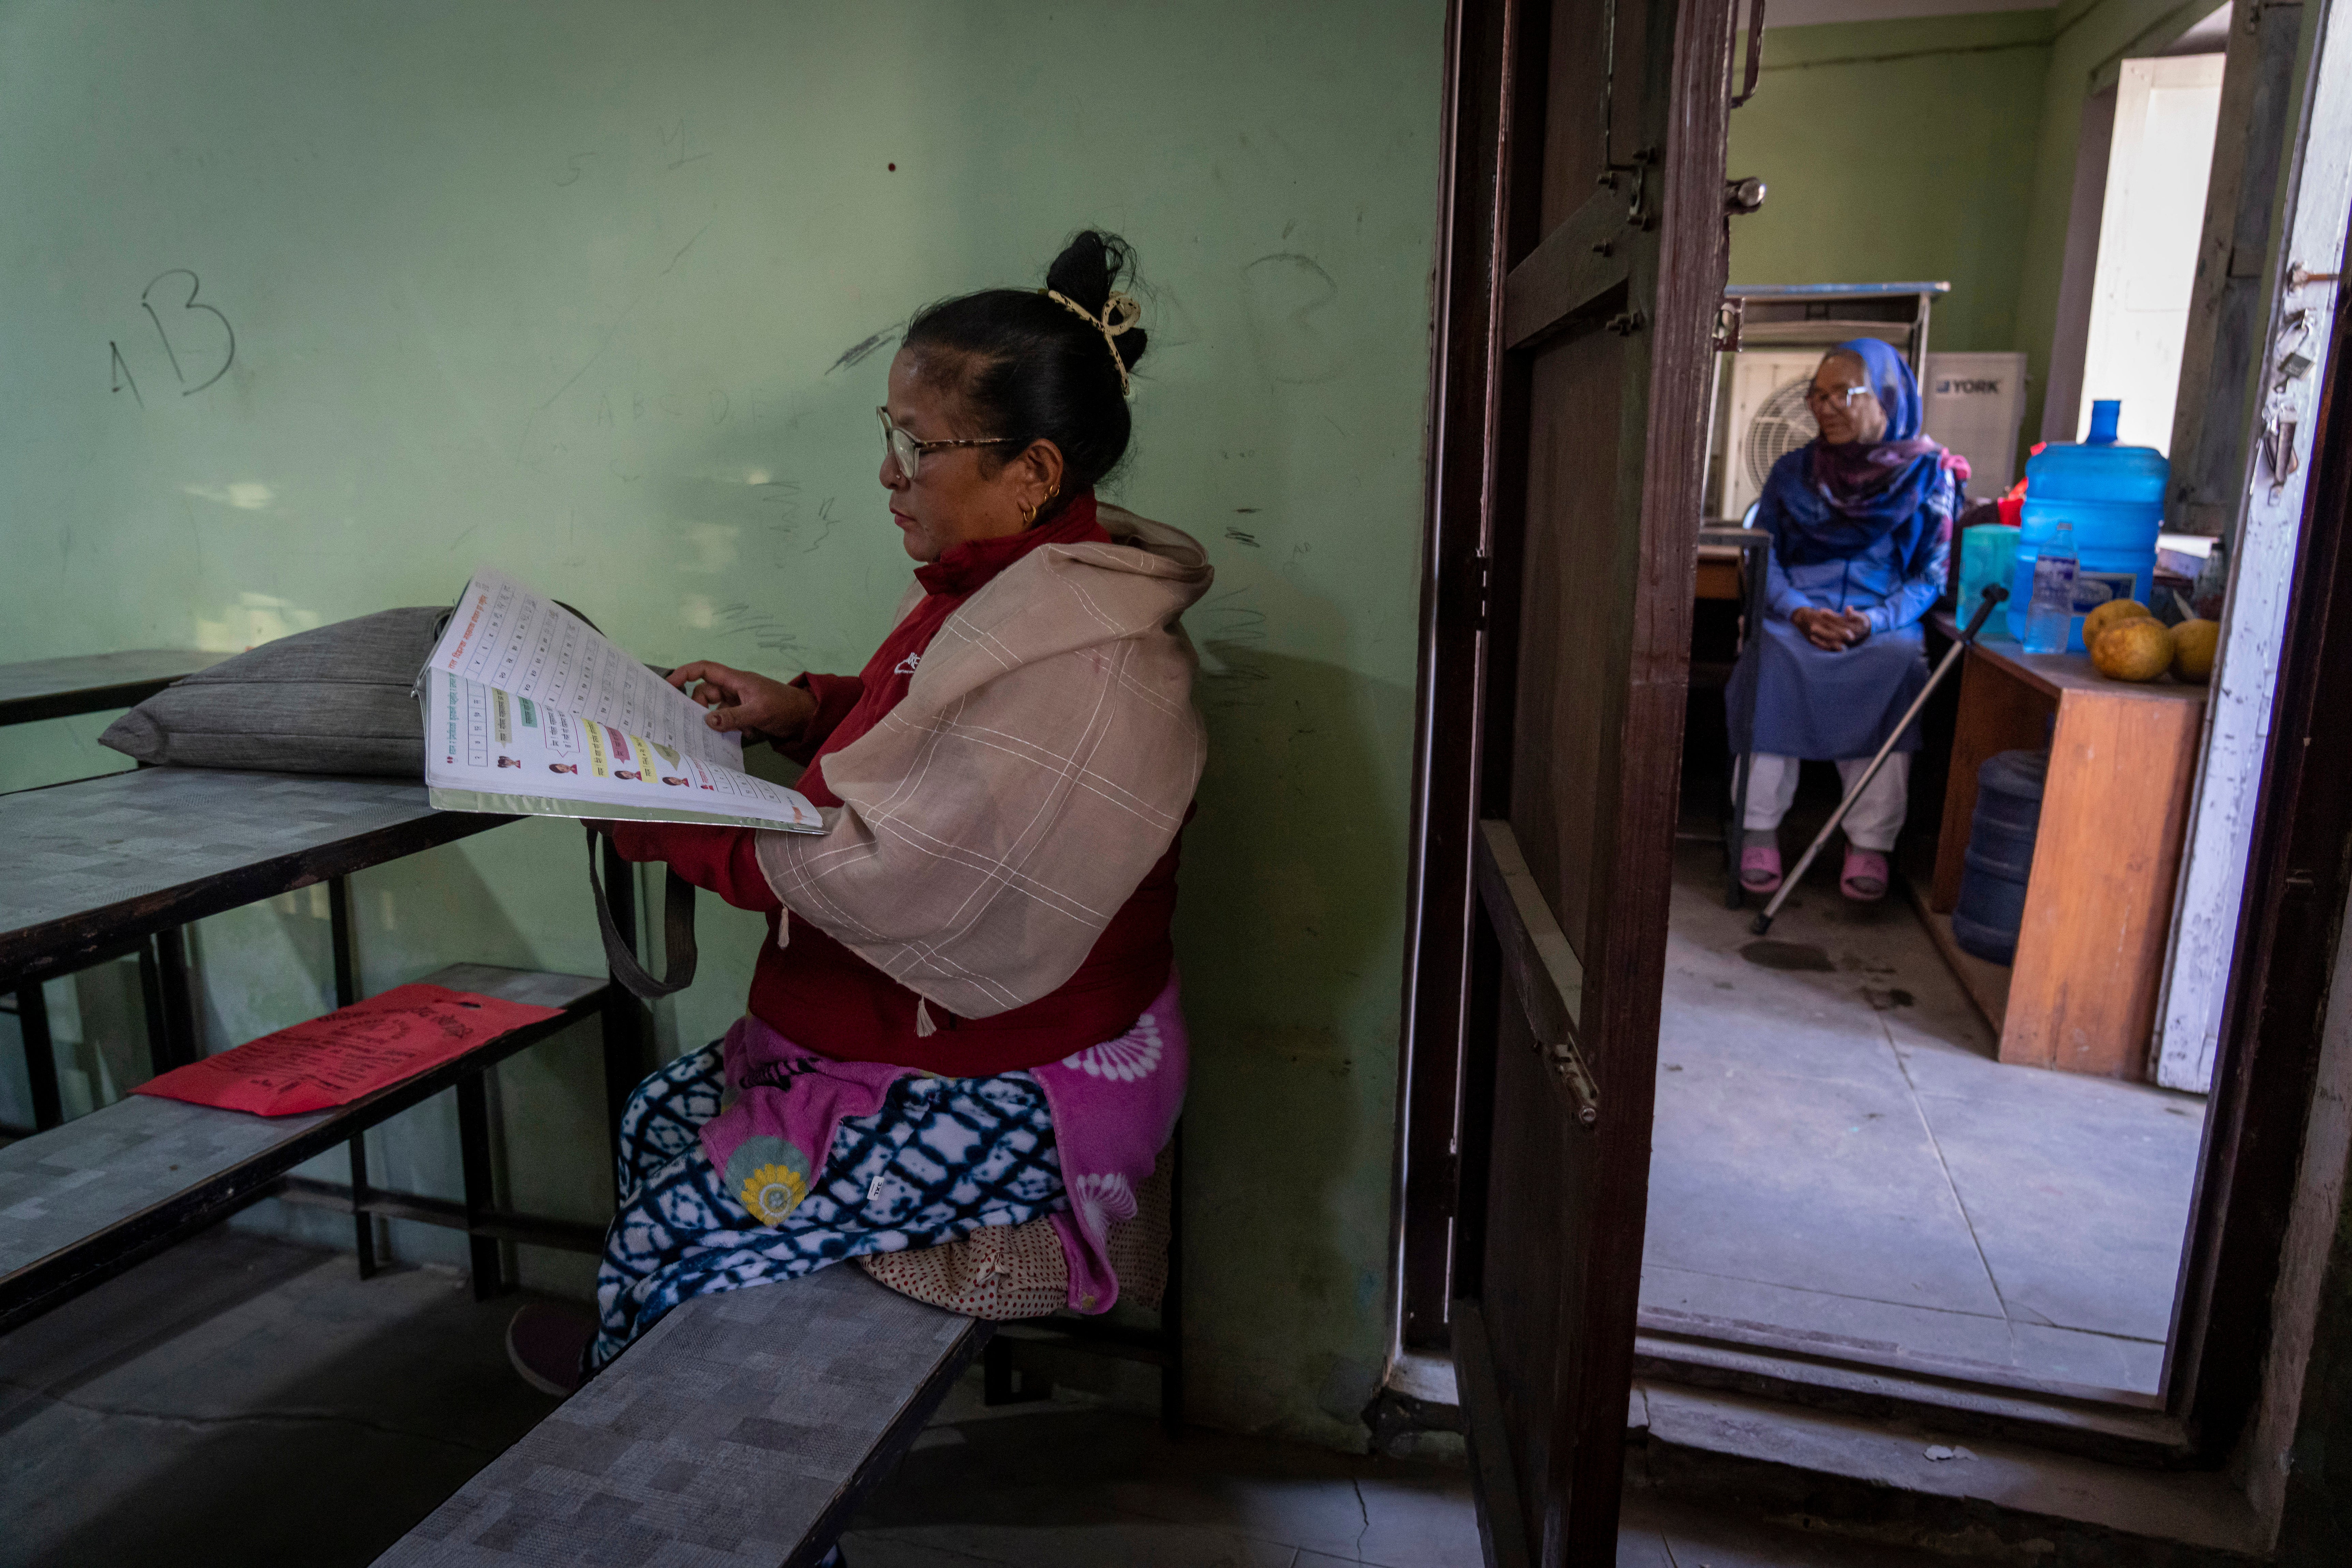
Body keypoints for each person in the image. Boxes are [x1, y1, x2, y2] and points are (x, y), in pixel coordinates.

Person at [505, 234, 1207, 1433]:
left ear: (1032, 471)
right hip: (908, 1037)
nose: (889, 475)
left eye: (916, 447)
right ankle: (654, 1366)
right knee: (654, 1120)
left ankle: (673, 1465)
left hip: (1017, 1076)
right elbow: (925, 742)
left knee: (676, 1226)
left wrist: (652, 814)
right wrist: (803, 708)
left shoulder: (1088, 654)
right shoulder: (1008, 590)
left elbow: (888, 872)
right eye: (891, 437)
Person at [1725, 338, 1956, 902]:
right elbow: (1765, 556)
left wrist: (1874, 622)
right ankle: (1757, 827)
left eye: (1840, 394)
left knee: (1897, 660)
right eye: (1815, 395)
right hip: (1796, 613)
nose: (1822, 407)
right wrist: (1799, 611)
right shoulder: (1792, 472)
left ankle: (1870, 843)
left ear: (1887, 399)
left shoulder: (1930, 477)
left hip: (1878, 620)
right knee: (1772, 652)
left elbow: (1931, 576)